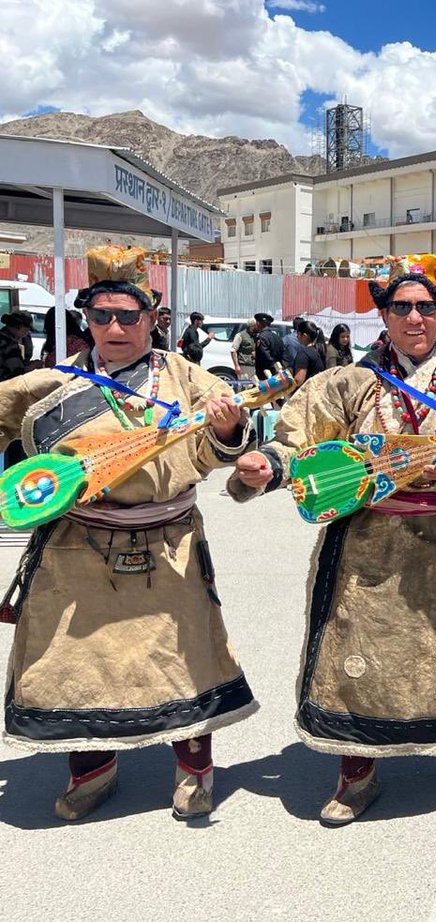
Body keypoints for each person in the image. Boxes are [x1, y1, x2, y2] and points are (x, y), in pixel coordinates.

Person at [229, 255, 436, 826]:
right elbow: (298, 440)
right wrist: (268, 464)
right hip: (368, 542)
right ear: (382, 314)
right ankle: (357, 769)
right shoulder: (347, 383)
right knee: (356, 651)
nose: (415, 318)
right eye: (401, 307)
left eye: (426, 307)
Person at [0, 244, 257, 821]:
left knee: (185, 656)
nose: (114, 329)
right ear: (86, 317)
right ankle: (92, 771)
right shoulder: (53, 384)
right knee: (78, 663)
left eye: (127, 316)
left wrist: (229, 432)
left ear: (152, 317)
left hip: (169, 540)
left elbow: (218, 445)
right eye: (100, 316)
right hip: (77, 544)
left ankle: (194, 772)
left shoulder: (186, 377)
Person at [290, 319, 326, 385]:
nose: (297, 336)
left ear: (304, 336)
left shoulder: (303, 354)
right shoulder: (318, 351)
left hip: (307, 390)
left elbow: (298, 380)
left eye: (298, 334)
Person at [0, 310, 34, 381]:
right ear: (20, 326)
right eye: (26, 331)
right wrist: (33, 366)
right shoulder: (8, 344)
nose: (25, 334)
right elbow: (18, 372)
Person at [254, 313, 285, 380]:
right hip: (276, 370)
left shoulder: (261, 337)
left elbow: (265, 355)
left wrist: (272, 365)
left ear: (258, 323)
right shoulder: (277, 337)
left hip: (265, 372)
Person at [230, 316, 260, 382]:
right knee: (246, 385)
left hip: (255, 365)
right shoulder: (240, 335)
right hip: (245, 366)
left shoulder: (257, 335)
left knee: (256, 385)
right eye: (257, 325)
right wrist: (236, 366)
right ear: (252, 326)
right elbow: (233, 350)